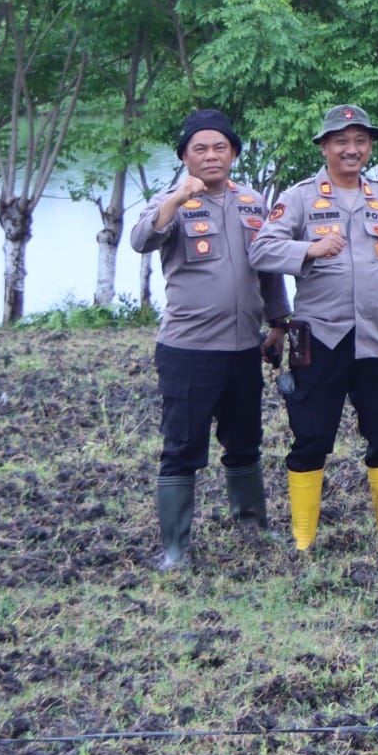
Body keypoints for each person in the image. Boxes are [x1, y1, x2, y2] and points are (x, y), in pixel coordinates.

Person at [247, 104, 378, 551]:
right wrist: (310, 248)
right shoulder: (301, 197)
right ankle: (303, 536)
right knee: (312, 435)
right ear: (324, 146)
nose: (351, 149)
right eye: (341, 141)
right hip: (320, 337)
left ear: (370, 147)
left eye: (360, 141)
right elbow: (262, 250)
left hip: (377, 338)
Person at [129, 108, 288, 570]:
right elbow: (141, 240)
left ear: (234, 153)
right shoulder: (171, 200)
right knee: (182, 446)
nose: (211, 156)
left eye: (220, 147)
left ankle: (252, 524)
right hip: (188, 349)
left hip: (243, 347)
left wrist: (278, 323)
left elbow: (269, 267)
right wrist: (177, 200)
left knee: (244, 440)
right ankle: (176, 547)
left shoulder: (254, 202)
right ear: (184, 157)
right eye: (199, 149)